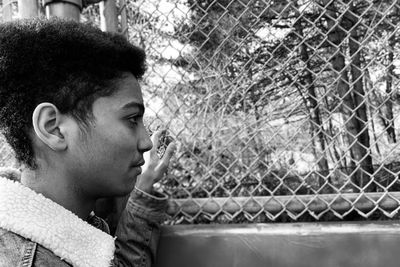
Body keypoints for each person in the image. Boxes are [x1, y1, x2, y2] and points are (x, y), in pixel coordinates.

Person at [0, 18, 175, 267]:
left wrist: (144, 190)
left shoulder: (68, 235)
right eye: (132, 119)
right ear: (54, 128)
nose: (147, 142)